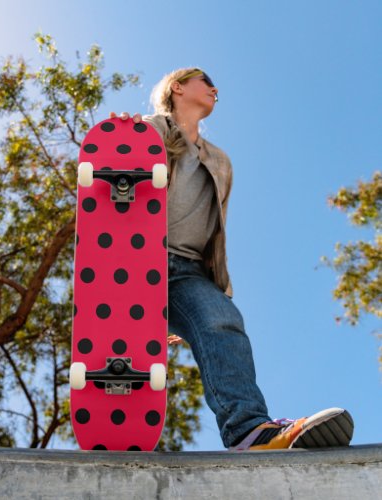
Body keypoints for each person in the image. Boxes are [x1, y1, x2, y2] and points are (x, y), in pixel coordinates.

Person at [110, 67, 354, 451]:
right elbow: (110, 173)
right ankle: (117, 431)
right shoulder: (147, 130)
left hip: (187, 271)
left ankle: (249, 432)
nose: (214, 89)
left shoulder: (220, 161)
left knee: (222, 320)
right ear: (177, 87)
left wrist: (207, 293)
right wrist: (121, 137)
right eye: (205, 82)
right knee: (122, 354)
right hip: (138, 258)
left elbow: (213, 229)